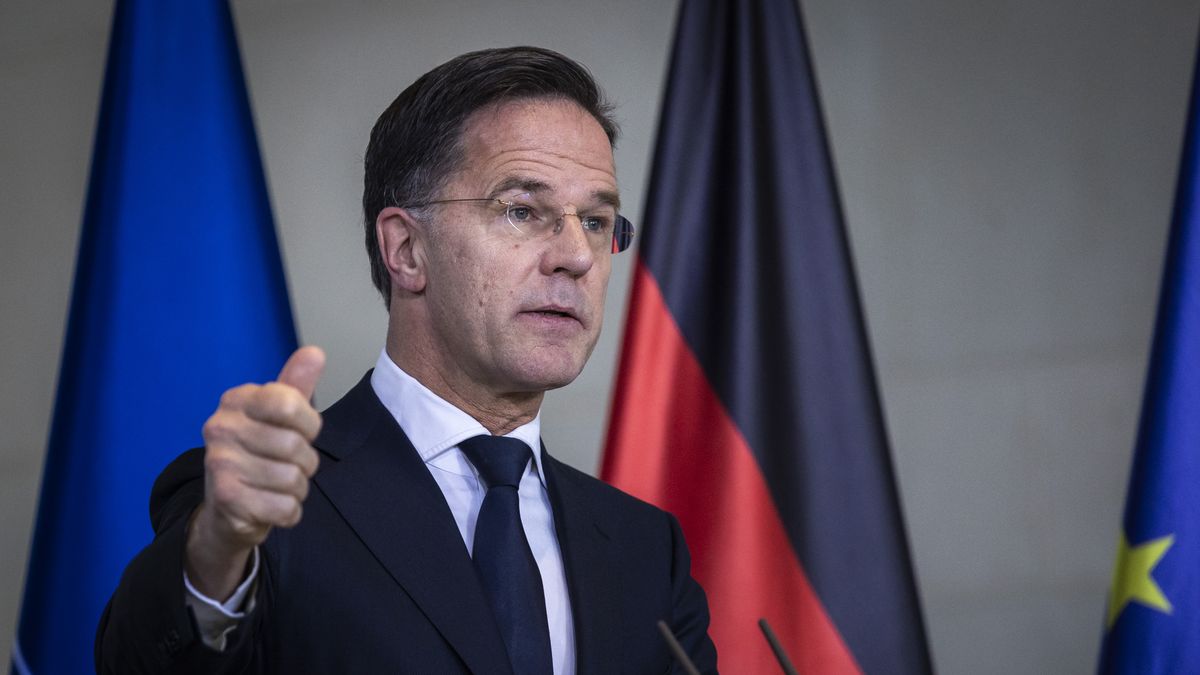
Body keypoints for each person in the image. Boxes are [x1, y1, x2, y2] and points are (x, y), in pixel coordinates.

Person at [95, 46, 717, 674]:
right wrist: (217, 549)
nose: (577, 257)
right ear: (407, 249)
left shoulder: (646, 548)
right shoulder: (265, 502)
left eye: (596, 221)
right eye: (522, 211)